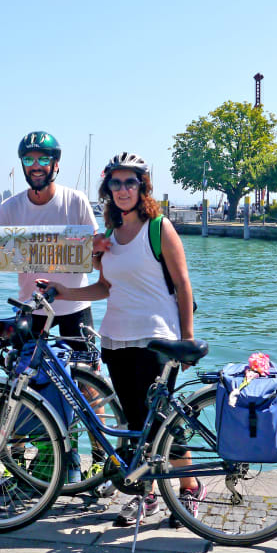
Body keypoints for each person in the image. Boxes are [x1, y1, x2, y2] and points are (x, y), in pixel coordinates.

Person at [41, 152, 202, 527]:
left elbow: (182, 283)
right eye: (117, 183)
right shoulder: (110, 238)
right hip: (115, 339)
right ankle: (147, 496)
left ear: (142, 186)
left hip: (157, 339)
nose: (124, 189)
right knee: (135, 424)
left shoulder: (158, 228)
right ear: (108, 189)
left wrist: (188, 339)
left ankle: (190, 488)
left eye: (131, 182)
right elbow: (104, 287)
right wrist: (62, 291)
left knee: (160, 421)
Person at [0, 131, 99, 338]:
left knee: (83, 370)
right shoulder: (9, 207)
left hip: (76, 308)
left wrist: (100, 251)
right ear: (23, 165)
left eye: (43, 159)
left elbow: (96, 253)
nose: (36, 166)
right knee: (25, 369)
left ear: (55, 164)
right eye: (29, 159)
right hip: (32, 307)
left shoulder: (76, 200)